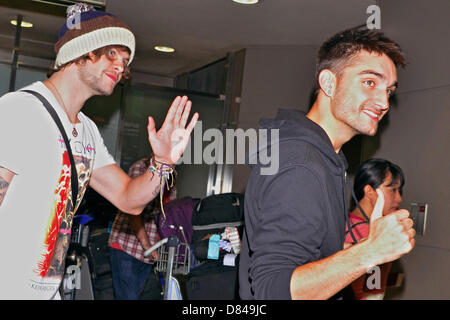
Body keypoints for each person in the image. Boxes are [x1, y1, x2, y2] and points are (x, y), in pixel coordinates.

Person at [0, 3, 198, 299]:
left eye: (126, 60)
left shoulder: (87, 131)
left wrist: (162, 161)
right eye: (112, 53)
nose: (121, 67)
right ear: (79, 52)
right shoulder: (21, 110)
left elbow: (129, 200)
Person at [239, 26, 415, 300]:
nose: (383, 102)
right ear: (329, 83)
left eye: (389, 91)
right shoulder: (301, 165)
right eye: (369, 82)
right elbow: (273, 290)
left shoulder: (324, 157)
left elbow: (305, 257)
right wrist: (371, 250)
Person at [108, 156, 176, 300]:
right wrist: (147, 246)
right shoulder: (141, 168)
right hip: (128, 246)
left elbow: (167, 212)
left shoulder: (171, 174)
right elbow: (133, 210)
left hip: (150, 250)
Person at [345, 158, 405, 300]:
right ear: (369, 191)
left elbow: (371, 284)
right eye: (393, 190)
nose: (399, 198)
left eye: (399, 190)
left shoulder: (345, 222)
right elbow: (361, 291)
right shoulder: (364, 233)